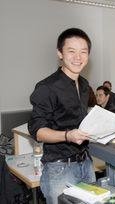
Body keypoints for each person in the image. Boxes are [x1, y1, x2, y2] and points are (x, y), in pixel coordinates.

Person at [28, 28, 95, 203]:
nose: (78, 57)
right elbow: (37, 131)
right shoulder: (46, 87)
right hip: (59, 168)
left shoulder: (85, 85)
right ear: (60, 53)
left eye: (83, 52)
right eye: (71, 51)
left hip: (86, 163)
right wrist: (68, 135)